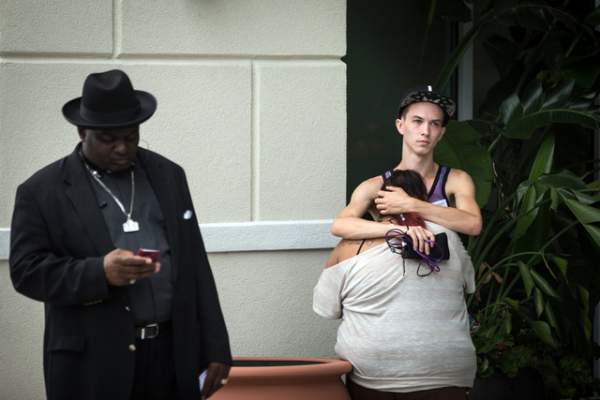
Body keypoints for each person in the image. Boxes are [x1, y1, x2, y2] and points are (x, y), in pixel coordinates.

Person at [9, 69, 231, 400]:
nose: (121, 148)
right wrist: (99, 272)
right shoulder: (42, 191)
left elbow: (195, 263)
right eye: (108, 139)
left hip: (171, 354)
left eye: (130, 136)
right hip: (93, 362)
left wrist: (215, 345)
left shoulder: (168, 175)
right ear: (82, 132)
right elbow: (26, 271)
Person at [314, 169, 476, 399]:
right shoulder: (449, 240)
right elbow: (468, 286)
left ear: (377, 207)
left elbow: (326, 308)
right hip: (447, 370)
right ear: (421, 200)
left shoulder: (349, 248)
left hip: (374, 374)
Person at [331, 86, 482, 255]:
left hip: (443, 273)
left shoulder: (456, 179)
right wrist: (398, 230)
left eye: (435, 124)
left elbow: (473, 224)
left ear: (441, 133)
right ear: (400, 126)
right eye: (417, 121)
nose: (425, 131)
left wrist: (410, 204)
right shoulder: (375, 185)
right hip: (393, 273)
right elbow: (340, 225)